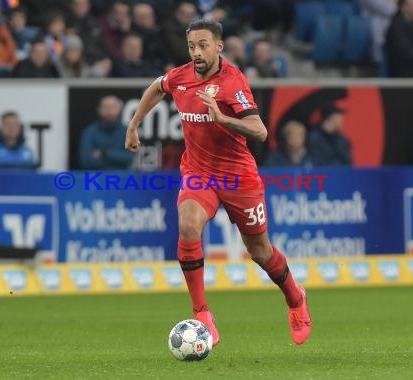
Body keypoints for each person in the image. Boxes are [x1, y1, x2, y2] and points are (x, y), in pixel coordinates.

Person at [124, 19, 311, 347]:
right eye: (192, 46)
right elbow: (157, 86)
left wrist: (223, 119)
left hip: (238, 177)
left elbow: (260, 130)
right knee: (188, 226)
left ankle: (295, 299)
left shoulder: (232, 83)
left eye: (203, 45)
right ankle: (202, 314)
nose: (196, 52)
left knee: (260, 251)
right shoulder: (180, 77)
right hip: (198, 173)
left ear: (219, 47)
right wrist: (134, 123)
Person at [79, 95, 135, 170]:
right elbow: (86, 160)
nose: (109, 111)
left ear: (120, 109)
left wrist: (104, 153)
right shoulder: (90, 132)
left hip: (123, 178)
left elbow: (130, 158)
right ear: (99, 110)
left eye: (113, 107)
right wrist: (117, 160)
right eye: (105, 107)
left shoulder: (128, 132)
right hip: (96, 177)